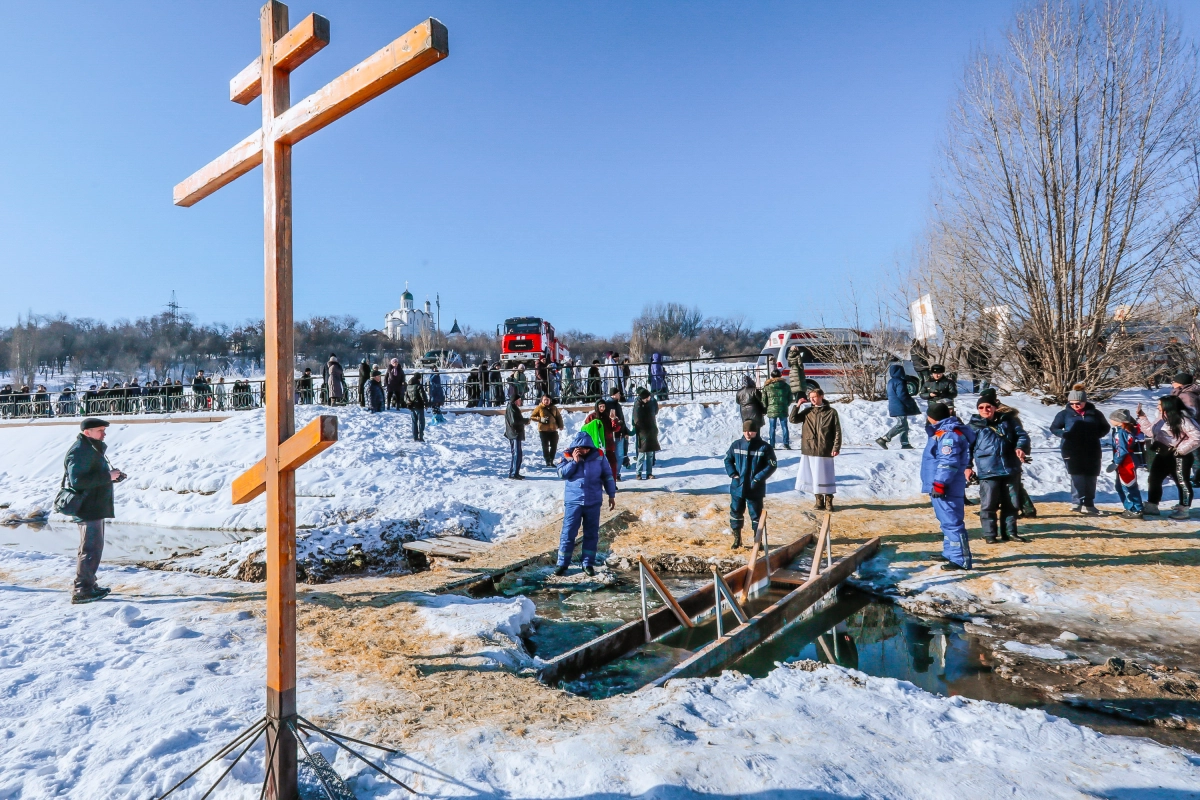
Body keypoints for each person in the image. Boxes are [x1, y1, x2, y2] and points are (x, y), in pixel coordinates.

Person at [61, 418, 126, 603]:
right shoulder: (80, 451)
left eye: (104, 430)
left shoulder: (90, 447)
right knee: (90, 549)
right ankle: (83, 590)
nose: (104, 433)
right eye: (100, 430)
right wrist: (107, 476)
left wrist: (112, 477)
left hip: (94, 506)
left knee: (92, 548)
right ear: (87, 432)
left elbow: (90, 476)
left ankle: (89, 584)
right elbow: (77, 481)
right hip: (87, 507)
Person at [967, 396, 1030, 543]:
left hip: (1010, 468)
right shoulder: (973, 427)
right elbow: (966, 449)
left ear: (995, 407)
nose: (985, 410)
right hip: (988, 471)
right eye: (981, 407)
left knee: (1012, 504)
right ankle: (990, 534)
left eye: (988, 406)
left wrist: (1021, 447)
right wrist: (968, 467)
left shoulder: (1008, 422)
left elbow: (1022, 436)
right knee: (989, 504)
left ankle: (1010, 532)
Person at [554, 430, 617, 576]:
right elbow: (561, 474)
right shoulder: (567, 456)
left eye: (587, 448)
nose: (584, 451)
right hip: (573, 501)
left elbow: (607, 475)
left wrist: (611, 495)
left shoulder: (599, 456)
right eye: (581, 448)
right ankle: (562, 564)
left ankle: (587, 563)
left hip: (593, 501)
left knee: (591, 533)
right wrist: (575, 462)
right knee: (568, 533)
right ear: (575, 447)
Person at [921, 402, 973, 570]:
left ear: (931, 417)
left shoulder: (948, 435)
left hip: (946, 486)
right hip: (942, 485)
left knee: (952, 522)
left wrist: (940, 484)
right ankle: (950, 552)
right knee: (946, 521)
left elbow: (948, 462)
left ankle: (960, 559)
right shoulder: (942, 432)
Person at [1049, 384, 1110, 514]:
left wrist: (1096, 435)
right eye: (1072, 403)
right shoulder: (1064, 414)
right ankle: (1077, 503)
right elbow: (1054, 428)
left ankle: (1089, 503)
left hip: (1092, 449)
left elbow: (1105, 427)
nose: (1075, 406)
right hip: (1072, 449)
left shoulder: (1095, 414)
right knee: (1077, 476)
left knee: (1091, 476)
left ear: (1085, 401)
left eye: (1078, 403)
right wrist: (1064, 434)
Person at [1137, 394, 1200, 520]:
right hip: (1163, 453)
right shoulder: (1161, 418)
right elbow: (1151, 432)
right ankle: (1152, 505)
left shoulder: (1183, 419)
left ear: (1168, 406)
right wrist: (1142, 417)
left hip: (1180, 455)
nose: (1157, 407)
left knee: (1182, 482)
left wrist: (1181, 450)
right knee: (1154, 479)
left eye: (1159, 405)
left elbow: (1197, 437)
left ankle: (1184, 507)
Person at [978, 387, 1037, 518]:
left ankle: (1028, 509)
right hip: (1000, 455)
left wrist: (1020, 450)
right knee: (1004, 485)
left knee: (1014, 486)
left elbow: (1018, 436)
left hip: (1008, 455)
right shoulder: (990, 415)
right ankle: (993, 507)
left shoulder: (1008, 417)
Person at [723, 421, 778, 549]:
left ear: (756, 431)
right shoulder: (736, 445)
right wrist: (733, 474)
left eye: (751, 431)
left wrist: (758, 478)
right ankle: (737, 539)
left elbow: (772, 465)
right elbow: (728, 460)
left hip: (755, 488)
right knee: (735, 512)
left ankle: (757, 540)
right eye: (745, 430)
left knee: (756, 515)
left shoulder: (764, 447)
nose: (748, 433)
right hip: (738, 487)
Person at [790, 386, 842, 511]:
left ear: (821, 396)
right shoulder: (808, 412)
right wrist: (797, 406)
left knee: (826, 475)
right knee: (814, 475)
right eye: (811, 398)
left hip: (825, 448)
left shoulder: (831, 412)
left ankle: (829, 501)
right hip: (810, 448)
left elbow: (837, 431)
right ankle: (819, 500)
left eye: (815, 397)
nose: (812, 400)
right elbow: (793, 419)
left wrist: (836, 447)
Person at [1107, 409, 1146, 519]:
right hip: (1127, 461)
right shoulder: (1124, 430)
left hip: (1126, 462)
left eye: (1112, 418)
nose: (1110, 420)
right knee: (1121, 486)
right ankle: (1130, 507)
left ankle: (1136, 509)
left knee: (1128, 486)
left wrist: (1116, 462)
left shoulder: (1121, 432)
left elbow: (1122, 449)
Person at [877, 360, 919, 449]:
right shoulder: (900, 381)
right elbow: (902, 395)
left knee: (904, 424)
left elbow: (889, 394)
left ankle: (905, 443)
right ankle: (884, 438)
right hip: (900, 405)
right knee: (901, 424)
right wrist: (910, 403)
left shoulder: (891, 381)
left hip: (894, 404)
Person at [529, 394, 565, 467]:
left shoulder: (554, 408)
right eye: (545, 400)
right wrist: (540, 419)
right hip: (543, 430)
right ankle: (547, 460)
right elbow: (532, 417)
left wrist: (561, 425)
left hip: (553, 430)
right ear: (542, 400)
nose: (546, 401)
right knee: (545, 446)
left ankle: (551, 460)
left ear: (550, 400)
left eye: (547, 400)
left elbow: (559, 417)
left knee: (554, 446)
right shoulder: (539, 408)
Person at [632, 388, 660, 479]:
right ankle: (638, 473)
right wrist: (642, 429)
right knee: (641, 454)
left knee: (650, 454)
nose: (649, 398)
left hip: (651, 431)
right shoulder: (638, 405)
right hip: (643, 433)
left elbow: (655, 412)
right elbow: (636, 420)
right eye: (647, 397)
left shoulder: (650, 403)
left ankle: (649, 473)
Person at [762, 368, 793, 449]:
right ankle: (786, 443)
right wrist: (786, 404)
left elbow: (764, 400)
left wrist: (767, 407)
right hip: (783, 409)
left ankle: (772, 444)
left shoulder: (767, 386)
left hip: (772, 410)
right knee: (784, 427)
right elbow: (790, 398)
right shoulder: (786, 386)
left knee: (772, 427)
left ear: (771, 376)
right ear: (780, 376)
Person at [504, 391, 528, 479]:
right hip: (514, 433)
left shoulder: (513, 407)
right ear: (515, 401)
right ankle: (513, 473)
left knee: (518, 454)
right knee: (516, 454)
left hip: (516, 433)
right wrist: (525, 421)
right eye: (519, 400)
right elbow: (514, 422)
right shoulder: (511, 407)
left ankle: (516, 472)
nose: (520, 401)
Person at [405, 373, 427, 441]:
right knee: (421, 422)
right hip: (419, 406)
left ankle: (415, 437)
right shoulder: (418, 386)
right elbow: (423, 396)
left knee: (414, 422)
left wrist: (408, 402)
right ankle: (421, 437)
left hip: (411, 406)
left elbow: (405, 396)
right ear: (418, 378)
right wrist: (426, 404)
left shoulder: (408, 386)